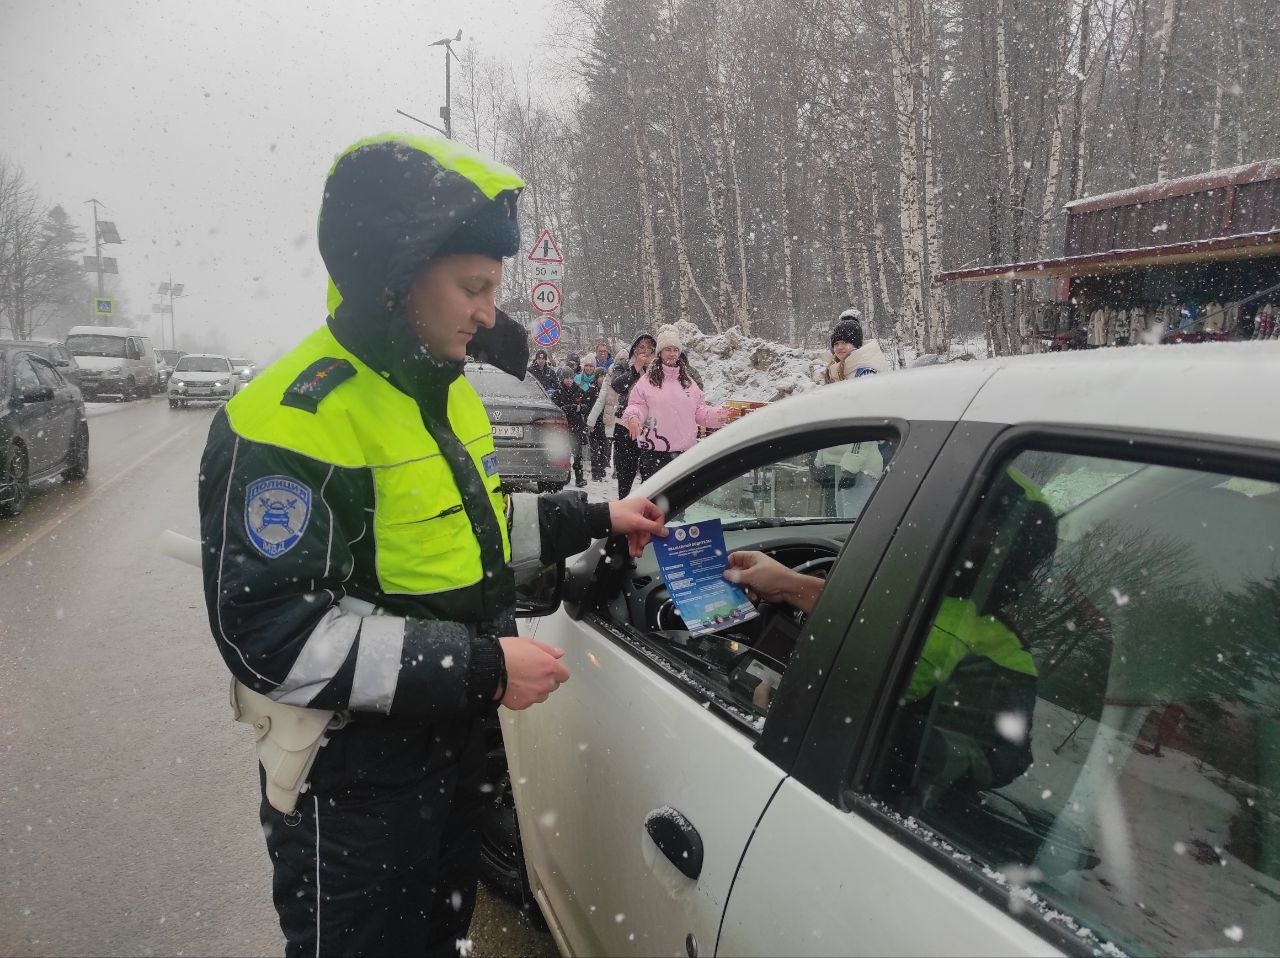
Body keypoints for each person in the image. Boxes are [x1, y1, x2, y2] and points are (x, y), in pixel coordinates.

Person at [196, 132, 667, 958]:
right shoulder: (290, 420)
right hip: (352, 793)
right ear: (394, 277)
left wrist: (598, 518)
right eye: (474, 287)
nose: (491, 312)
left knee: (441, 940)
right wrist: (484, 666)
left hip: (450, 760)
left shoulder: (445, 394)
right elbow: (274, 637)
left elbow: (476, 542)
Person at [725, 467, 1057, 806]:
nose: (932, 527)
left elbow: (967, 758)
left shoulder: (996, 657)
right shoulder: (944, 599)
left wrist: (793, 717)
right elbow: (887, 616)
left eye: (960, 519)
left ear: (1002, 546)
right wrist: (790, 585)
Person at [622, 323, 727, 483]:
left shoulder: (688, 382)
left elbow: (699, 411)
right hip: (655, 453)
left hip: (683, 454)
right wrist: (633, 417)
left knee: (679, 501)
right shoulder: (648, 381)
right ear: (660, 353)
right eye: (668, 349)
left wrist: (720, 414)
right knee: (655, 503)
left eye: (675, 350)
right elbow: (638, 405)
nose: (672, 354)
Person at [815, 309, 890, 517]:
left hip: (860, 466)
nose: (840, 347)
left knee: (852, 524)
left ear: (855, 345)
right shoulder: (839, 372)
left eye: (845, 343)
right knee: (841, 522)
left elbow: (865, 425)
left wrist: (852, 466)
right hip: (843, 462)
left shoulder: (863, 373)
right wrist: (820, 456)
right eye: (836, 343)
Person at [591, 332, 655, 498]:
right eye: (641, 347)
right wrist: (636, 369)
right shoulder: (623, 365)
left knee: (649, 472)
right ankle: (624, 504)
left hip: (650, 428)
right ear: (634, 349)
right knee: (626, 471)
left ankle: (646, 505)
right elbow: (617, 385)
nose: (645, 351)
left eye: (649, 348)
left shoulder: (657, 369)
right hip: (625, 425)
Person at [555, 364, 590, 487]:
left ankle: (579, 477)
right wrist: (569, 408)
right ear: (562, 379)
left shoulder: (579, 389)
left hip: (576, 426)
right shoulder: (558, 392)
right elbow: (556, 408)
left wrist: (578, 407)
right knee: (564, 452)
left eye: (571, 378)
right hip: (563, 427)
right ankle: (566, 475)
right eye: (566, 378)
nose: (569, 381)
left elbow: (587, 406)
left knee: (577, 453)